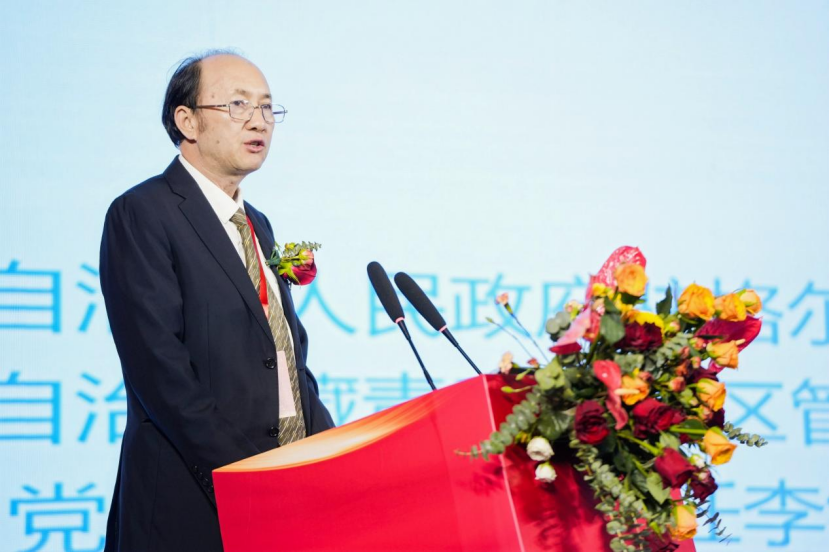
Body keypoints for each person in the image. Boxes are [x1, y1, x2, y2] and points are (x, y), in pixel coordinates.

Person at [99, 51, 335, 552]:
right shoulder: (142, 213)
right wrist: (250, 480)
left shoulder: (258, 225)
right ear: (187, 121)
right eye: (238, 105)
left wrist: (330, 457)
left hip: (281, 500)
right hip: (191, 505)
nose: (259, 121)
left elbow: (285, 359)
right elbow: (162, 374)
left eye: (268, 107)